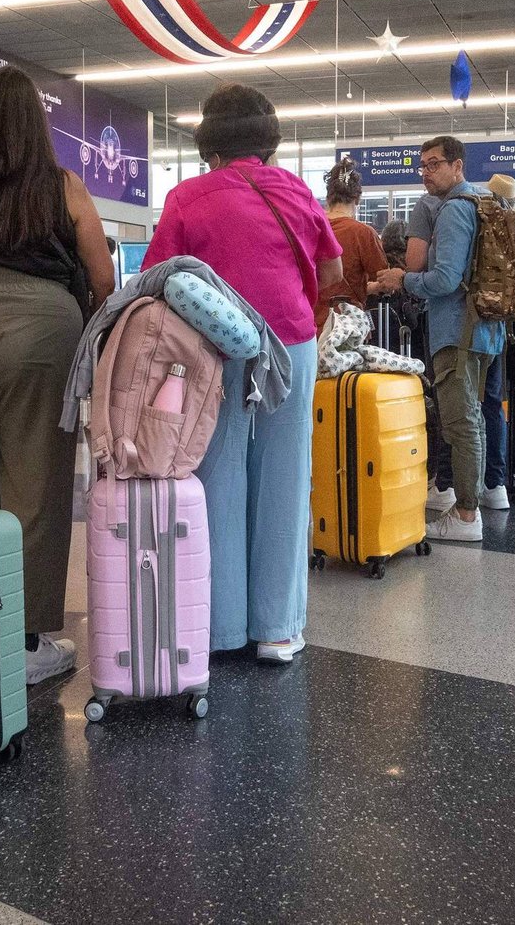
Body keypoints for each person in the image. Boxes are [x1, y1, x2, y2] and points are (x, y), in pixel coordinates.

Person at [143, 82, 341, 664]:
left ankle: (220, 629)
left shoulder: (187, 197)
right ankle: (277, 629)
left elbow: (160, 278)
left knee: (216, 471)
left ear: (210, 141)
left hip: (215, 346)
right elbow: (330, 275)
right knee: (286, 473)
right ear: (268, 137)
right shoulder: (298, 192)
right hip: (292, 339)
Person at [0, 65, 115, 683]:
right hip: (44, 328)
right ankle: (27, 641)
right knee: (36, 485)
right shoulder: (62, 185)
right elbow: (102, 278)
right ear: (38, 127)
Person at [374, 136, 506, 542]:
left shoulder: (452, 211)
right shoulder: (486, 203)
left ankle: (466, 516)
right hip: (485, 329)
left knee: (461, 423)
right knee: (476, 420)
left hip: (456, 332)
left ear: (458, 166)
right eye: (423, 165)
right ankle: (472, 506)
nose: (426, 172)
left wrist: (404, 278)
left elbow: (446, 278)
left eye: (434, 164)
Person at [313, 158, 386, 329]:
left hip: (311, 325)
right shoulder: (363, 233)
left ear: (328, 197)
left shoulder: (309, 229)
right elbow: (384, 281)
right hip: (348, 326)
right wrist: (366, 287)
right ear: (357, 198)